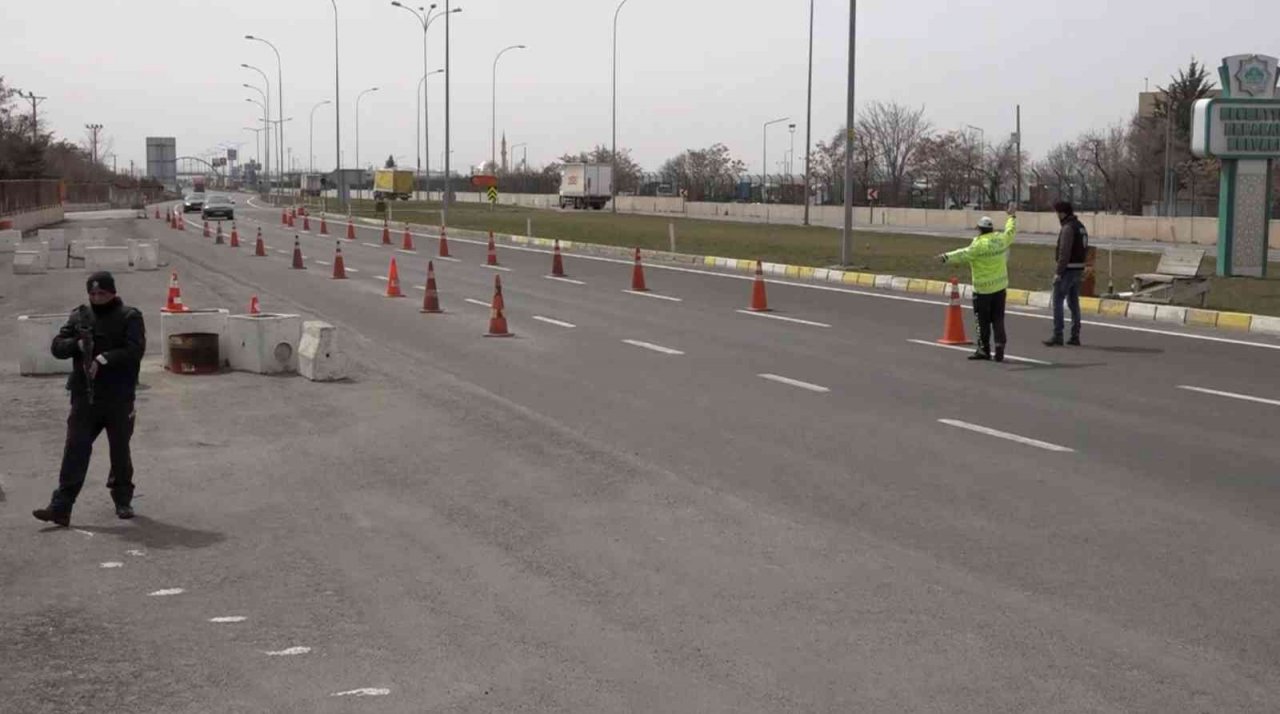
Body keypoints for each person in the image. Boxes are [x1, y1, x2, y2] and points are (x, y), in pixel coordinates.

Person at [33, 271, 146, 527]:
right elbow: (57, 347)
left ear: (112, 292)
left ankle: (122, 499)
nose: (97, 297)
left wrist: (102, 359)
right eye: (93, 293)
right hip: (85, 397)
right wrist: (77, 345)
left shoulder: (130, 316)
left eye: (102, 293)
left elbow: (134, 350)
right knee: (75, 449)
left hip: (118, 396)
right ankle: (61, 507)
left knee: (119, 450)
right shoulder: (80, 316)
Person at [936, 205, 1018, 362]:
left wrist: (946, 257)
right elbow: (1010, 231)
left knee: (982, 321)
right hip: (1000, 288)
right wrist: (1012, 217)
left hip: (982, 290)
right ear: (992, 229)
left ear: (980, 230)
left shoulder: (978, 245)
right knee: (998, 319)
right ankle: (1000, 348)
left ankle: (984, 349)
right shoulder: (1001, 240)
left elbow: (962, 254)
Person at [1044, 200, 1088, 346]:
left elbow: (1064, 252)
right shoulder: (1080, 227)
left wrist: (1058, 272)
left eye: (1057, 212)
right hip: (1078, 269)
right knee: (1074, 302)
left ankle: (1058, 334)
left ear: (1062, 213)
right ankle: (1075, 335)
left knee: (1057, 300)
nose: (1056, 215)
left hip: (1068, 269)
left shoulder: (1068, 228)